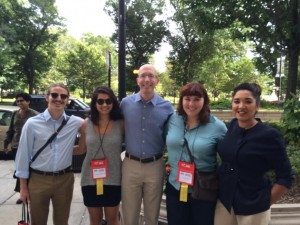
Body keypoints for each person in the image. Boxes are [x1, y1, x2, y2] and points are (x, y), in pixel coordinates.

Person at [214, 82, 294, 225]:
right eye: (236, 101)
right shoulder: (232, 126)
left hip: (253, 206)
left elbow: (286, 177)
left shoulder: (270, 136)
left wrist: (265, 202)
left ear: (257, 105)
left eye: (248, 101)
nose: (241, 106)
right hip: (225, 202)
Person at [15, 83, 83, 225]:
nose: (58, 99)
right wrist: (23, 188)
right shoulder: (32, 123)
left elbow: (95, 125)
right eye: (54, 95)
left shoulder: (75, 122)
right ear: (47, 97)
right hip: (38, 179)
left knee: (62, 221)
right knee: (38, 221)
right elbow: (23, 156)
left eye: (63, 96)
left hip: (65, 179)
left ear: (67, 99)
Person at [165, 82, 227, 225]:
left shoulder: (217, 127)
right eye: (187, 99)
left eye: (196, 99)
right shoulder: (173, 120)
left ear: (205, 101)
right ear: (181, 101)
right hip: (175, 185)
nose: (191, 104)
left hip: (203, 189)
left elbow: (227, 158)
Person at [120, 64, 174, 225]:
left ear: (156, 81)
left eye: (151, 76)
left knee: (152, 215)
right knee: (130, 215)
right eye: (143, 76)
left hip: (155, 166)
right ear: (138, 80)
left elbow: (172, 134)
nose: (146, 79)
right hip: (130, 164)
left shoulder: (167, 107)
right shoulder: (125, 104)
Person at [75, 86, 124, 225]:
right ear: (94, 103)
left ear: (113, 103)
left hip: (113, 178)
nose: (104, 105)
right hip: (90, 179)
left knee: (112, 219)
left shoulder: (120, 123)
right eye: (100, 101)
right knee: (95, 220)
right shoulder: (86, 124)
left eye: (108, 101)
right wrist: (57, 148)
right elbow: (80, 149)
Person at [3, 93, 38, 204]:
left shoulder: (35, 115)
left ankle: (31, 193)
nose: (19, 103)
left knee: (29, 171)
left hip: (29, 146)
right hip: (16, 146)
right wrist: (6, 144)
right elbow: (11, 130)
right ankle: (22, 194)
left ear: (28, 101)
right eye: (17, 101)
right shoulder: (15, 114)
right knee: (20, 170)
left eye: (21, 100)